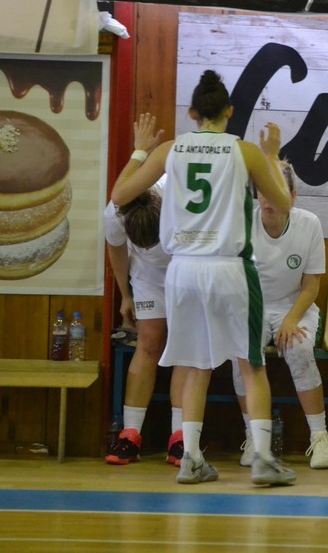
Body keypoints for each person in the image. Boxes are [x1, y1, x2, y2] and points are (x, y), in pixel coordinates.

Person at [111, 70, 296, 487]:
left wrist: (139, 150)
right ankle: (263, 458)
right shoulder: (245, 151)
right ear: (230, 111)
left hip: (182, 270)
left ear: (192, 113)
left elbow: (120, 195)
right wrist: (271, 155)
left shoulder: (169, 150)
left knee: (195, 365)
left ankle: (192, 459)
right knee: (252, 365)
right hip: (229, 267)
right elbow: (283, 203)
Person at [232, 160, 328, 470]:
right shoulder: (244, 222)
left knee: (299, 348)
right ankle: (254, 436)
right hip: (252, 304)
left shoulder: (310, 224)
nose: (268, 199)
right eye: (263, 191)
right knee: (243, 352)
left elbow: (311, 285)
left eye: (276, 191)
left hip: (295, 305)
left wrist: (291, 320)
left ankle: (320, 437)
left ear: (292, 196)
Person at [104, 173, 186, 467]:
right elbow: (116, 249)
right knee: (149, 342)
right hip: (147, 275)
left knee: (184, 347)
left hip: (186, 266)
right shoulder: (114, 213)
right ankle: (130, 434)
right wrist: (125, 294)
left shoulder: (182, 196)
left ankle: (181, 436)